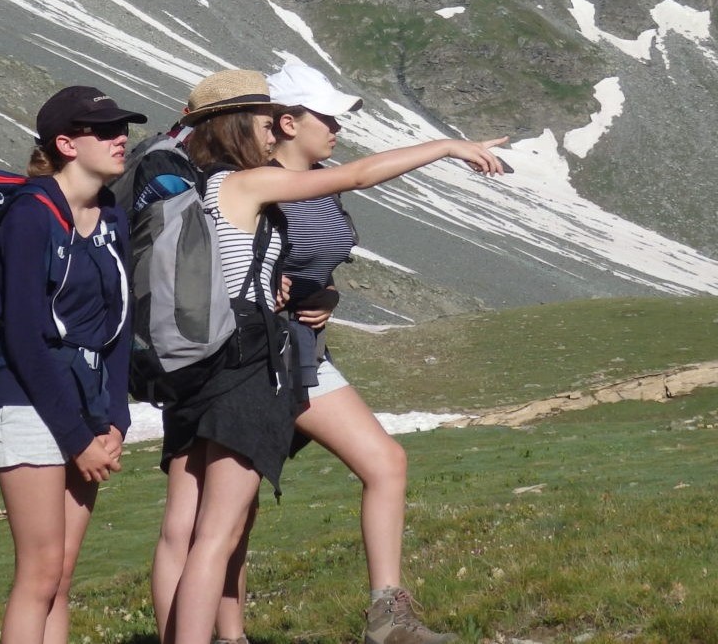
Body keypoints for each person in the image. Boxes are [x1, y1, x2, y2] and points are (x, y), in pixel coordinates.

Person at [152, 69, 505, 644]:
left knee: (211, 524)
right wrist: (446, 146)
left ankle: (234, 635)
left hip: (227, 358)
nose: (275, 133)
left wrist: (309, 290)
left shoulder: (213, 187)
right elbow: (362, 176)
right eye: (268, 124)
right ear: (259, 125)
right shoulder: (246, 184)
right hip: (251, 364)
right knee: (215, 530)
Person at [218, 61, 458, 644]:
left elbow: (311, 261)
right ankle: (228, 634)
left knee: (384, 463)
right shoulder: (262, 181)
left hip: (303, 348)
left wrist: (325, 292)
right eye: (325, 117)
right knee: (232, 509)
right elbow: (241, 262)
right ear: (288, 122)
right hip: (258, 356)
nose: (336, 127)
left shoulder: (318, 181)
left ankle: (386, 613)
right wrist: (449, 146)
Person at [0, 85, 146, 644]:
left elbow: (118, 327)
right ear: (66, 143)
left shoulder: (111, 217)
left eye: (122, 128)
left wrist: (114, 418)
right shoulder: (31, 215)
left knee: (62, 577)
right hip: (25, 400)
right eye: (105, 131)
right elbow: (23, 337)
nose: (121, 138)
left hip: (86, 407)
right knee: (40, 571)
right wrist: (79, 438)